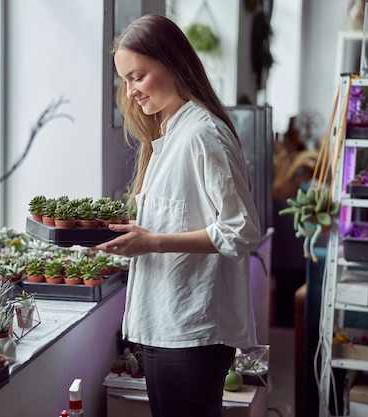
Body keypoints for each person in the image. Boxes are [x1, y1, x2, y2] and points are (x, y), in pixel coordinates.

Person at [94, 14, 261, 417]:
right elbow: (183, 219)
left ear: (171, 62)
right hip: (167, 324)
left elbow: (241, 231)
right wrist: (142, 235)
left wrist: (153, 241)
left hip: (192, 331)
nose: (131, 91)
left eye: (138, 76)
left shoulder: (203, 133)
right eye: (125, 80)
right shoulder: (170, 133)